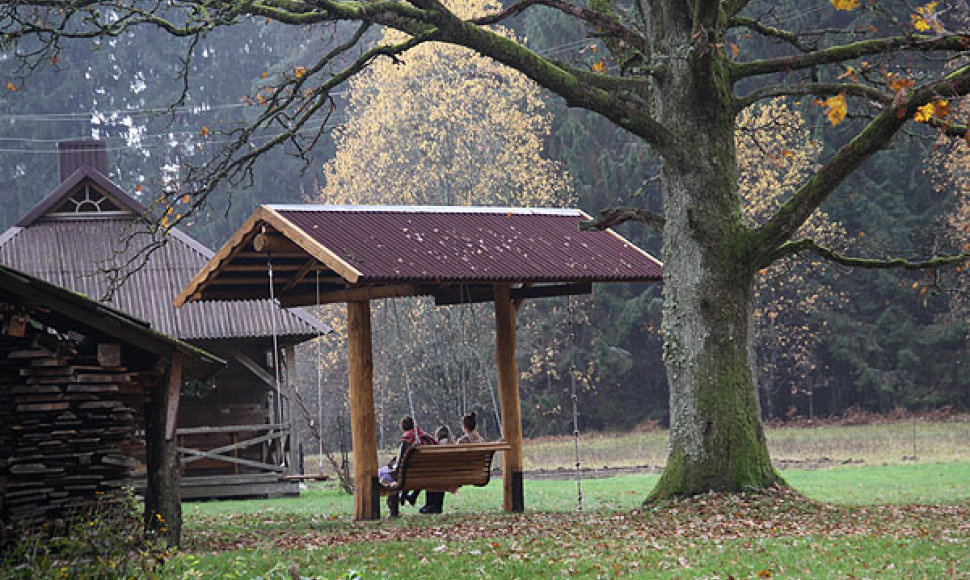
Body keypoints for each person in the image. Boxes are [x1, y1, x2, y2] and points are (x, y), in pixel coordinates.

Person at [384, 415, 436, 517]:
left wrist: (391, 467)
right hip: (429, 475)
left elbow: (399, 466)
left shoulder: (407, 440)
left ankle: (393, 511)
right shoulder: (427, 439)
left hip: (406, 478)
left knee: (385, 475)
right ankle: (404, 496)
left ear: (403, 428)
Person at [418, 425, 454, 514]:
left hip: (436, 474)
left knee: (432, 475)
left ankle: (430, 504)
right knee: (440, 476)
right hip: (449, 474)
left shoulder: (436, 445)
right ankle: (437, 506)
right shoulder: (451, 445)